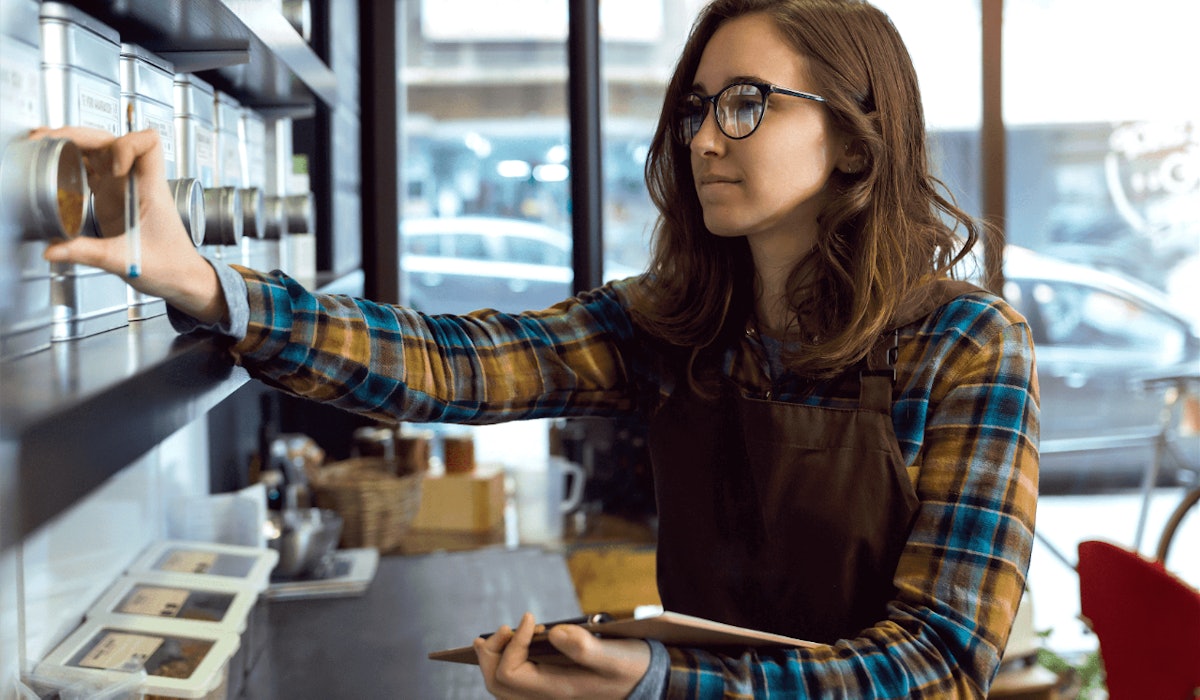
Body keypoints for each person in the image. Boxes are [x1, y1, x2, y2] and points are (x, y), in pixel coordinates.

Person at [37, 0, 1039, 696]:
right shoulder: (674, 324)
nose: (702, 140)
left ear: (857, 141)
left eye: (746, 103)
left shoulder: (966, 347)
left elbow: (938, 668)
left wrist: (659, 683)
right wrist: (205, 284)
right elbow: (449, 362)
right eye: (696, 108)